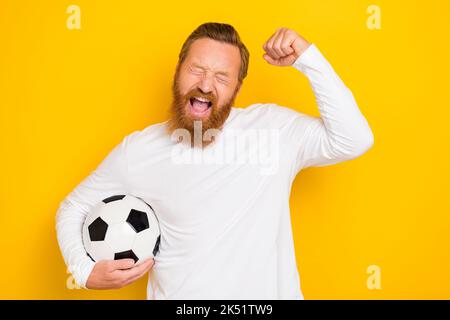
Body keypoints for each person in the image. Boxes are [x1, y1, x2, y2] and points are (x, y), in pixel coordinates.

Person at [56, 22, 374, 299]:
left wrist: (308, 58)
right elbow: (73, 207)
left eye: (222, 77)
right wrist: (83, 272)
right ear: (178, 70)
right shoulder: (139, 150)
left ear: (237, 87)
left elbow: (355, 139)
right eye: (197, 69)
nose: (206, 85)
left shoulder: (274, 130)